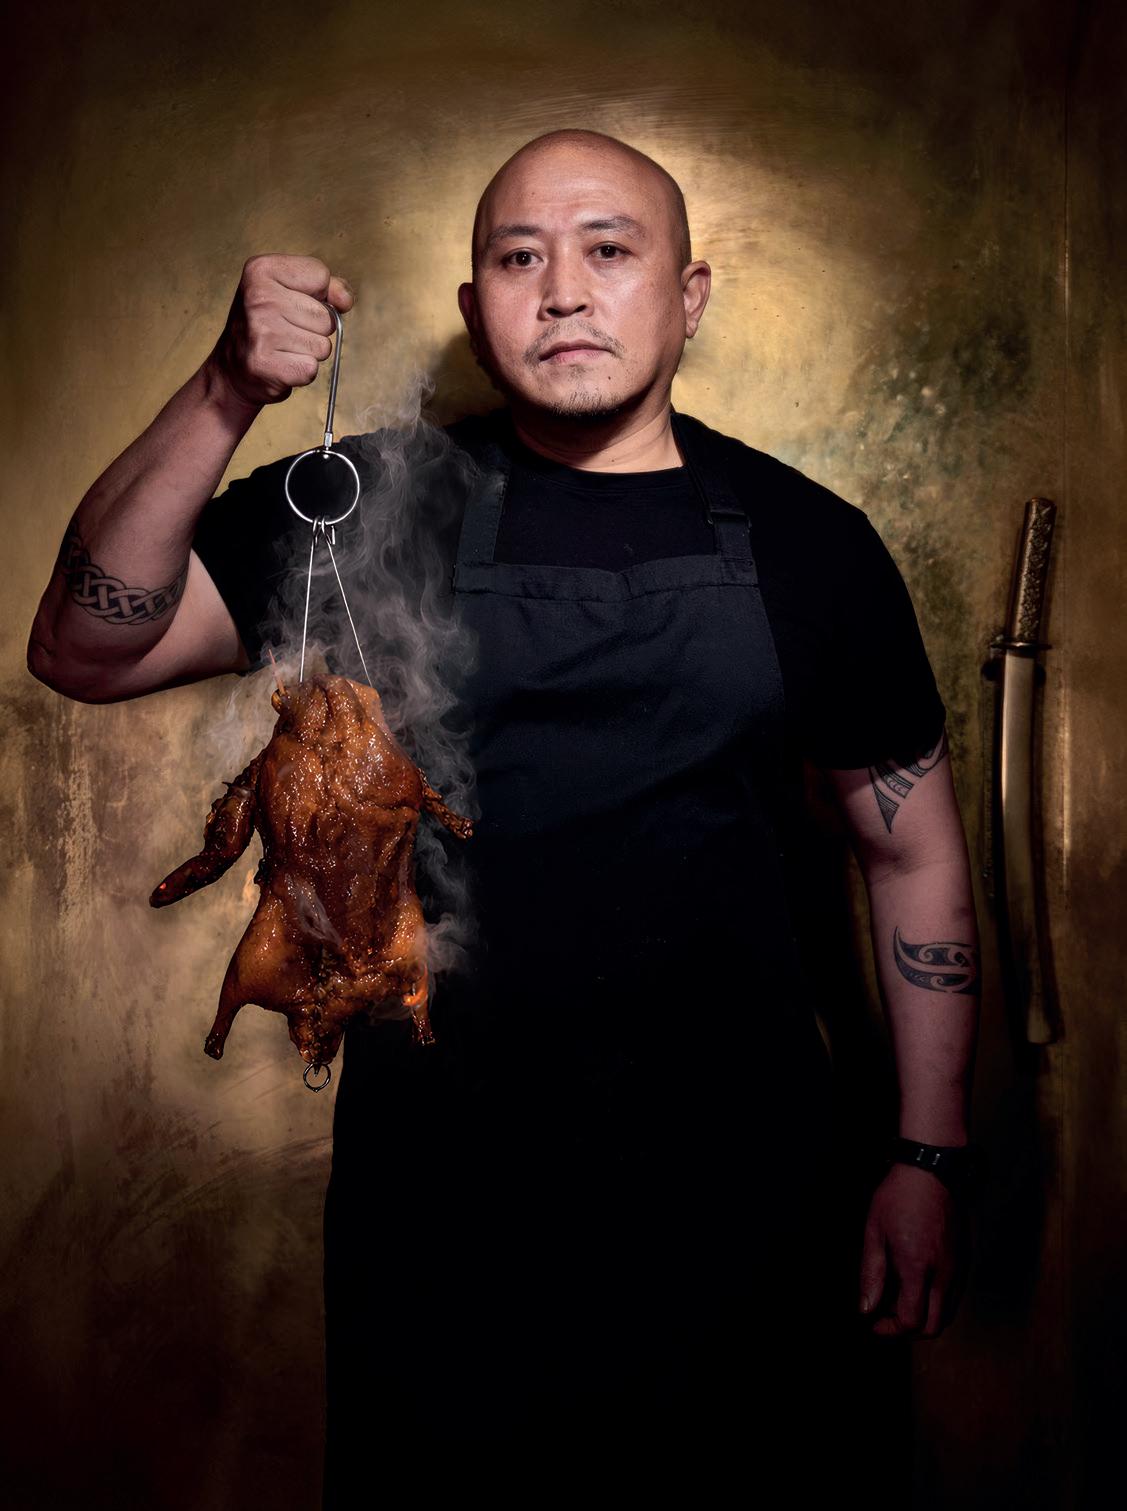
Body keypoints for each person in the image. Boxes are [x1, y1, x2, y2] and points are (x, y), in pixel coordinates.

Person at [28, 129, 982, 1502]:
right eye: (520, 257)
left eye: (611, 250)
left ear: (690, 296)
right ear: (477, 310)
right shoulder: (369, 506)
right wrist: (227, 388)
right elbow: (84, 648)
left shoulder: (807, 542)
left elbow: (914, 853)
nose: (565, 290)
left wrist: (927, 1154)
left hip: (745, 1192)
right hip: (444, 1203)